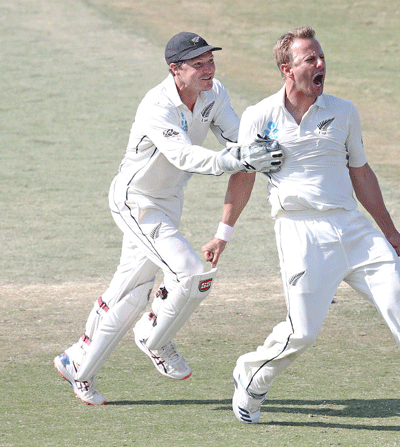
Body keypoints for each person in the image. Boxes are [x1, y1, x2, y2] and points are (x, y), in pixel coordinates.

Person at [201, 26, 400, 433]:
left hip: (353, 229)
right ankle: (251, 374)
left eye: (321, 58)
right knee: (302, 332)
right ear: (287, 69)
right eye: (309, 59)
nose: (320, 65)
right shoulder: (259, 117)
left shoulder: (344, 111)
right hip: (301, 233)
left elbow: (361, 172)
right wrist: (222, 234)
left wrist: (389, 231)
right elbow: (243, 178)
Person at [53, 31, 283, 406]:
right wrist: (235, 160)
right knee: (191, 274)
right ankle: (153, 336)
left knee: (132, 290)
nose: (208, 70)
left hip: (169, 201)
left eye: (210, 61)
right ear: (175, 70)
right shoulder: (156, 106)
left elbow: (238, 138)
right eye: (198, 64)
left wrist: (265, 144)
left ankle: (76, 363)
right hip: (136, 202)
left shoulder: (215, 92)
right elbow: (184, 156)